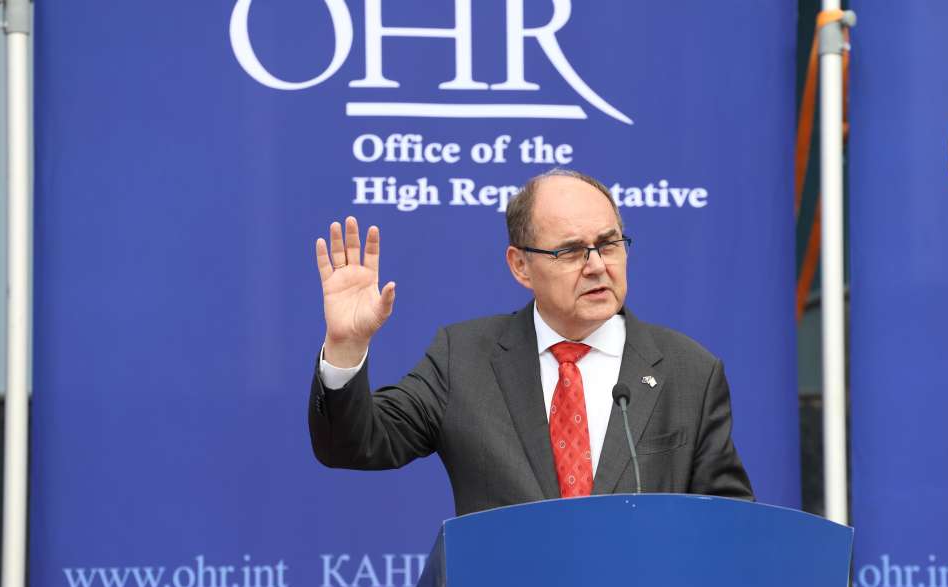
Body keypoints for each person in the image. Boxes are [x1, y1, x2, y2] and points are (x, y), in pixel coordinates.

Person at [308, 169, 752, 515]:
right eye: (571, 251)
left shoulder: (689, 371)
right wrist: (345, 346)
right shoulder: (464, 358)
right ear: (520, 266)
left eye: (608, 244)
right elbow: (353, 445)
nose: (597, 266)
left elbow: (730, 526)